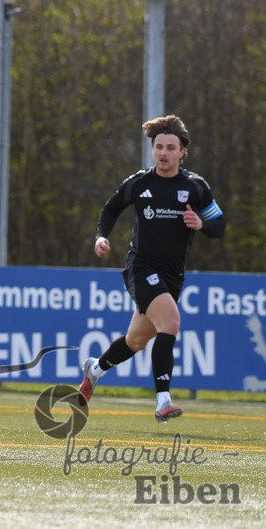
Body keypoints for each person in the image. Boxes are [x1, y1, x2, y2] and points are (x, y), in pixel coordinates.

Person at [79, 115, 225, 422]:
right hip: (141, 267)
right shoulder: (138, 183)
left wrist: (202, 224)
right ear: (153, 150)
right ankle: (162, 402)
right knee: (170, 323)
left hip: (173, 276)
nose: (163, 152)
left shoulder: (196, 187)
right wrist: (101, 237)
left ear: (182, 152)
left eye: (170, 147)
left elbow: (220, 225)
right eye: (158, 146)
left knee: (136, 340)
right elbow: (111, 208)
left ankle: (94, 369)